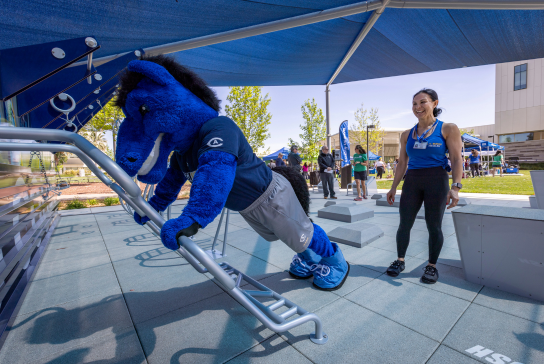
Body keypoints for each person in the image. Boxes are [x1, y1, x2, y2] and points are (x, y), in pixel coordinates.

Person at [115, 55, 349, 291]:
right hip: (249, 205)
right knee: (287, 233)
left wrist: (193, 218)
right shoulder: (182, 153)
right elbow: (171, 182)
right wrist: (155, 205)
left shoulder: (219, 127)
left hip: (271, 196)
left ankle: (335, 261)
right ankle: (309, 259)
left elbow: (215, 174)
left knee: (301, 232)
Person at [385, 88, 462, 284]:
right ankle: (400, 260)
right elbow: (402, 163)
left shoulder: (448, 129)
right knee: (404, 223)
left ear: (434, 103)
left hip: (437, 179)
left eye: (422, 102)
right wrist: (393, 187)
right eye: (414, 104)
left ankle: (432, 265)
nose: (417, 107)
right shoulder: (406, 134)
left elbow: (456, 158)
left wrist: (456, 186)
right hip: (412, 180)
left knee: (434, 225)